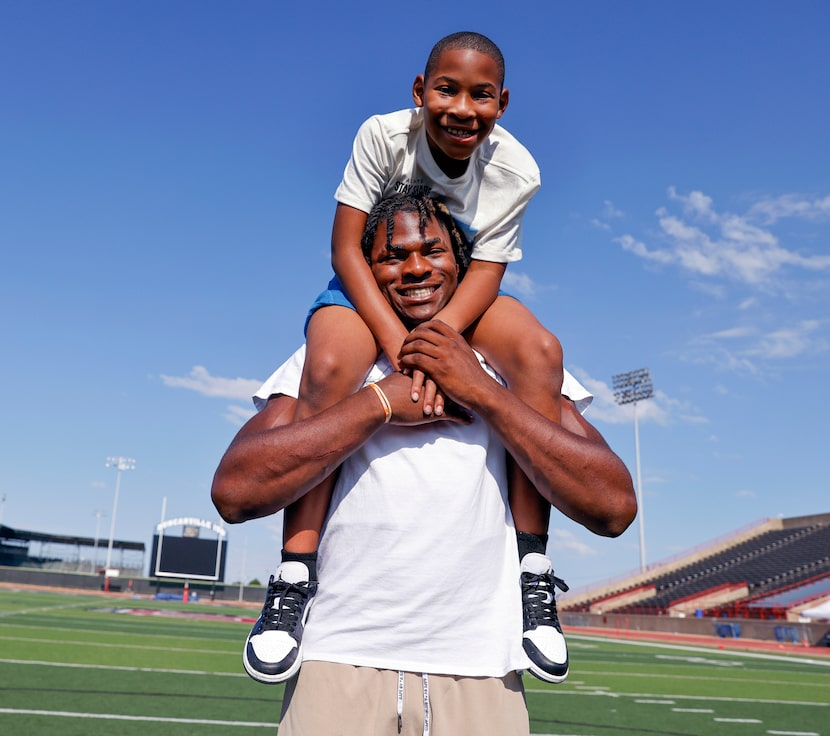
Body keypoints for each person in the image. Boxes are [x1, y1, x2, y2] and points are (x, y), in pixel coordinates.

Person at [212, 193, 637, 735]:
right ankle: (291, 583)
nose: (415, 268)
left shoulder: (506, 363)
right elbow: (235, 490)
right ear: (367, 272)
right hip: (338, 655)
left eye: (433, 251)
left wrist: (481, 392)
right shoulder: (340, 356)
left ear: (463, 263)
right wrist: (380, 403)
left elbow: (613, 506)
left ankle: (537, 577)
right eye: (393, 256)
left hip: (483, 667)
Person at [251, 30, 570, 686]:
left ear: (502, 103)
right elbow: (345, 249)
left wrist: (438, 344)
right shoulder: (381, 135)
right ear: (420, 92)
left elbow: (485, 272)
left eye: (481, 95)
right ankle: (293, 577)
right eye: (446, 90)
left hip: (458, 291)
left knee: (540, 352)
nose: (462, 108)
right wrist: (401, 350)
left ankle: (533, 574)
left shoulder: (519, 172)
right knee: (332, 364)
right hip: (369, 279)